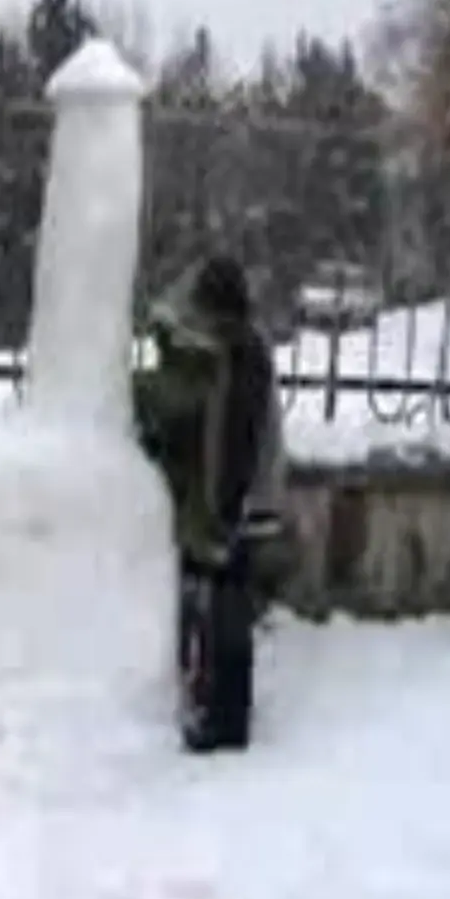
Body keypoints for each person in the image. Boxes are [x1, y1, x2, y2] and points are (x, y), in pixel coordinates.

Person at [133, 254, 284, 752]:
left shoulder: (227, 360)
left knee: (219, 622)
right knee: (224, 622)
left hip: (227, 513)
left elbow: (211, 433)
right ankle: (220, 710)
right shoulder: (247, 351)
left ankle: (219, 720)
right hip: (248, 509)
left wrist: (224, 515)